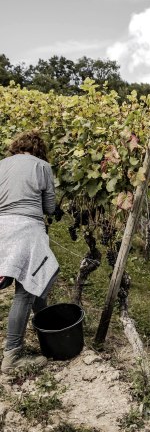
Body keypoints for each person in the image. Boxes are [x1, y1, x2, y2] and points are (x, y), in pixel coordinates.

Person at [0, 130, 59, 373]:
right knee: (26, 289)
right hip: (27, 231)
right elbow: (49, 207)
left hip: (1, 227)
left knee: (34, 281)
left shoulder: (1, 165)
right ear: (39, 150)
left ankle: (44, 323)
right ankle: (12, 355)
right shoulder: (42, 167)